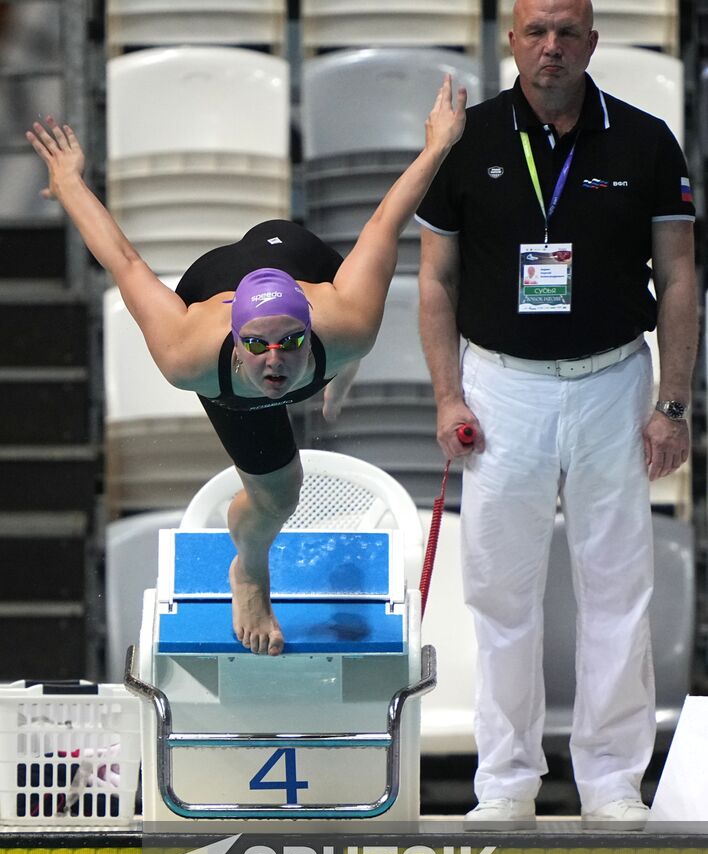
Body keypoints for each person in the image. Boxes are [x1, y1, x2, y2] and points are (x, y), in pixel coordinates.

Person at [27, 76, 466, 657]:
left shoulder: (346, 318)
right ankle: (251, 573)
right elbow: (127, 263)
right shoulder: (189, 356)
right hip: (215, 281)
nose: (276, 362)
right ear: (236, 344)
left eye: (290, 342)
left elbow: (384, 223)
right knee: (280, 496)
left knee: (355, 338)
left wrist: (438, 144)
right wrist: (71, 183)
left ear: (309, 326)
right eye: (258, 347)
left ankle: (338, 372)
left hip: (297, 256)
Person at [416, 0, 697, 828]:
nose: (551, 48)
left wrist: (672, 403)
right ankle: (505, 780)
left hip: (614, 381)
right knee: (501, 594)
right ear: (511, 41)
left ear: (592, 43)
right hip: (501, 387)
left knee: (617, 589)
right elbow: (434, 281)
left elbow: (680, 280)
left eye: (567, 33)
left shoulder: (645, 141)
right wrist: (446, 395)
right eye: (536, 31)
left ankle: (612, 781)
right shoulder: (464, 141)